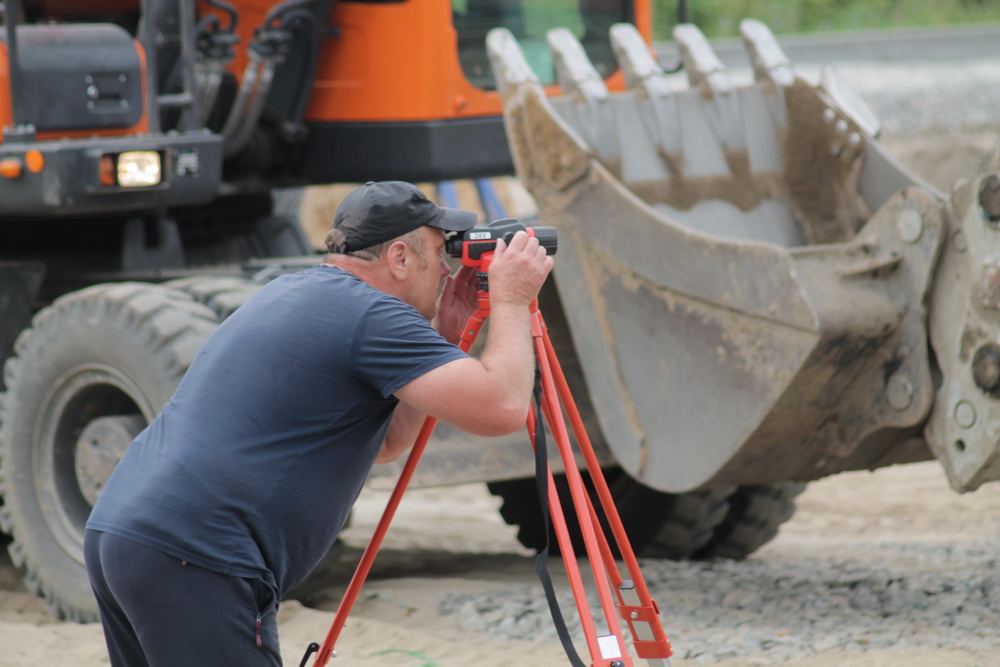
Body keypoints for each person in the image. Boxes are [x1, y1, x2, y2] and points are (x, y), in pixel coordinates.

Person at [84, 180, 554, 667]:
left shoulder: (298, 291)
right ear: (398, 257)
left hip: (125, 532)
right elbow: (502, 409)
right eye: (439, 253)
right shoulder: (372, 315)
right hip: (197, 553)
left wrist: (448, 332)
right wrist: (512, 300)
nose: (447, 270)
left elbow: (387, 443)